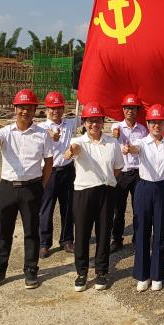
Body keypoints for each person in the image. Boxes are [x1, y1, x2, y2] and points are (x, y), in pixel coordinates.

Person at [0, 88, 54, 290]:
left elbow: (49, 162)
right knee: (4, 232)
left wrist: (41, 186)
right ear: (15, 108)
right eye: (21, 107)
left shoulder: (42, 135)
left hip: (32, 188)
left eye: (29, 107)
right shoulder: (6, 132)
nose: (25, 111)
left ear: (35, 110)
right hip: (7, 189)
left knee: (31, 232)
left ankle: (31, 270)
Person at [63, 102, 123, 292]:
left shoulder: (112, 143)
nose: (94, 124)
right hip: (84, 192)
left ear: (103, 122)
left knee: (104, 233)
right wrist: (71, 151)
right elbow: (74, 150)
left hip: (106, 191)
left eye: (97, 120)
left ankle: (101, 272)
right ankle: (81, 273)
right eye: (90, 121)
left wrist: (107, 179)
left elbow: (118, 168)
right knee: (82, 233)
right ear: (84, 122)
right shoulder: (79, 142)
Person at [124, 104, 164, 291]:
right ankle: (142, 275)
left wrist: (163, 181)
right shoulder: (141, 142)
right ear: (148, 124)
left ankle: (157, 274)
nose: (157, 125)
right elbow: (134, 149)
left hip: (162, 188)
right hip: (144, 188)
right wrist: (128, 148)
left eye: (160, 122)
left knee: (161, 231)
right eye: (153, 122)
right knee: (142, 231)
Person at [37, 91, 77, 258]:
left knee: (68, 207)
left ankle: (67, 240)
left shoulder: (70, 123)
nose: (56, 111)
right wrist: (48, 134)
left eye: (59, 108)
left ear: (63, 109)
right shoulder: (41, 127)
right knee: (46, 207)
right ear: (47, 109)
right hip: (49, 172)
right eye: (52, 108)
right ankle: (44, 243)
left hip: (67, 170)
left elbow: (88, 118)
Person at [110, 93, 148, 253]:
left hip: (138, 173)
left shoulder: (143, 129)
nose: (129, 111)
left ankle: (137, 238)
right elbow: (113, 132)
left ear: (137, 110)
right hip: (122, 173)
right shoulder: (117, 127)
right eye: (127, 108)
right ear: (123, 109)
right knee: (118, 208)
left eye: (133, 108)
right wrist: (115, 134)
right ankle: (117, 239)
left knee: (138, 207)